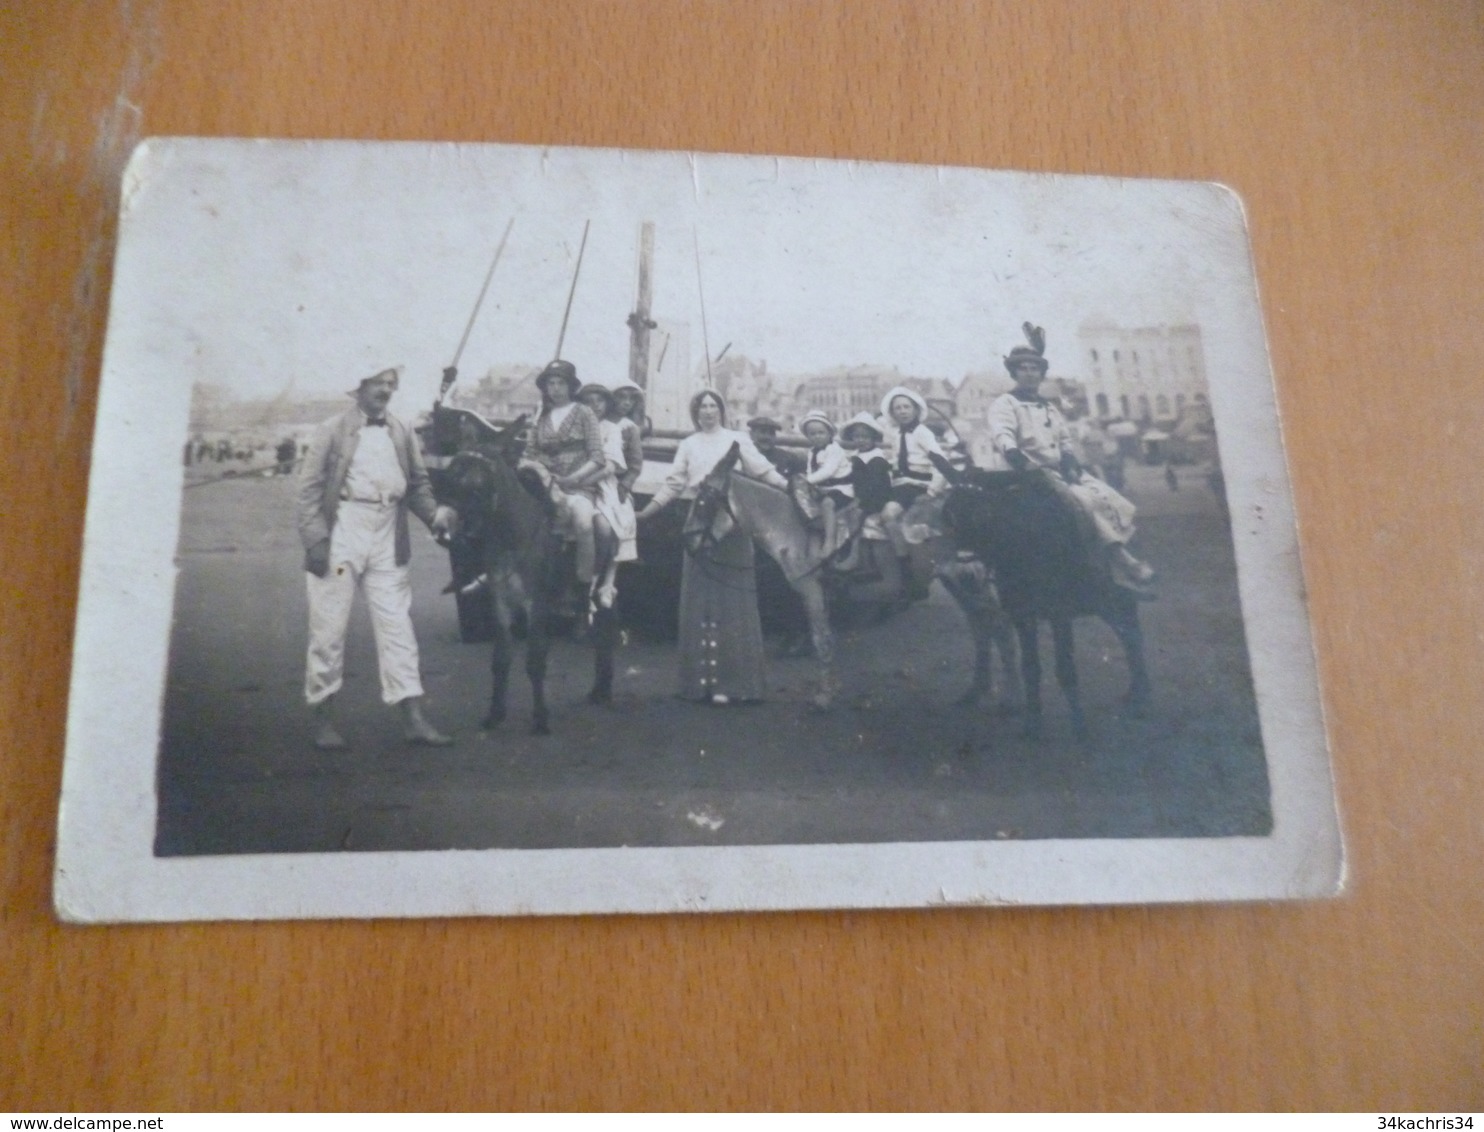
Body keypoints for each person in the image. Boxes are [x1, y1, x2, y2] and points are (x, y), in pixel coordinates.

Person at [296, 366, 456, 750]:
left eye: (391, 384)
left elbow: (417, 484)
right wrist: (316, 541)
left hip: (388, 531)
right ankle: (323, 720)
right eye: (378, 384)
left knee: (398, 626)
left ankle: (413, 719)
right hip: (342, 532)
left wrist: (434, 516)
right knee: (329, 628)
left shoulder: (401, 430)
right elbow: (308, 491)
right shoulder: (331, 429)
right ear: (359, 388)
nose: (385, 390)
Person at [635, 390, 789, 705]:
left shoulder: (737, 440)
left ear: (721, 409)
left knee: (734, 601)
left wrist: (794, 489)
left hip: (731, 523)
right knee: (699, 599)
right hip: (698, 523)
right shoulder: (689, 444)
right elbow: (674, 483)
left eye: (713, 406)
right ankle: (701, 683)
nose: (708, 412)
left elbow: (763, 472)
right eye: (702, 407)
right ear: (696, 412)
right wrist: (645, 512)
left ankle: (736, 684)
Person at [988, 331, 1156, 592]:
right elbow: (1003, 436)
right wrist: (1021, 461)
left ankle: (1107, 564)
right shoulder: (1005, 404)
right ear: (1014, 373)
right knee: (1081, 500)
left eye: (1035, 369)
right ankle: (1124, 561)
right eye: (1024, 369)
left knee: (1106, 496)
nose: (1030, 374)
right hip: (1024, 472)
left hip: (1056, 470)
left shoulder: (1048, 406)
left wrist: (1068, 459)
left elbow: (1064, 437)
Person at [521, 360, 606, 591]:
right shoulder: (540, 415)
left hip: (578, 487)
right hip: (544, 486)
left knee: (583, 522)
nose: (556, 388)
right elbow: (529, 453)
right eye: (551, 383)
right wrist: (538, 473)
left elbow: (597, 457)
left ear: (570, 387)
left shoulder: (584, 413)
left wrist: (572, 479)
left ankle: (583, 586)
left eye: (561, 383)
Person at [875, 385, 946, 599]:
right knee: (881, 513)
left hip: (919, 484)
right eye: (898, 408)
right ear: (893, 413)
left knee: (889, 515)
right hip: (901, 484)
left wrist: (933, 490)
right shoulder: (896, 434)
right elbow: (895, 458)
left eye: (907, 407)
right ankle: (902, 561)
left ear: (915, 410)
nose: (903, 411)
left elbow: (940, 462)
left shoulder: (923, 433)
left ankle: (908, 564)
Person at [576, 382, 639, 608]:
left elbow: (612, 467)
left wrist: (579, 481)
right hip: (573, 484)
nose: (594, 407)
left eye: (599, 401)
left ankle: (594, 584)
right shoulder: (575, 426)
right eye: (588, 402)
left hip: (602, 483)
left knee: (605, 528)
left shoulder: (611, 429)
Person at [798, 408, 852, 554]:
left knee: (828, 504)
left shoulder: (834, 450)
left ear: (830, 434)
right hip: (823, 488)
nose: (817, 437)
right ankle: (809, 539)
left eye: (821, 433)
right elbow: (811, 470)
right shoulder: (812, 452)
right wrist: (807, 483)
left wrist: (808, 480)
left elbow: (828, 471)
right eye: (812, 434)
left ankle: (830, 541)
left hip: (842, 488)